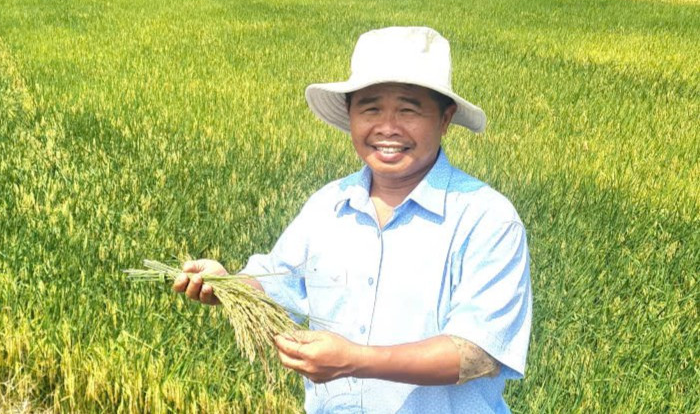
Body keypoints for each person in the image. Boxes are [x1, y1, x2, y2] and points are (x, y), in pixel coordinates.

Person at [173, 26, 532, 413]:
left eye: (409, 109)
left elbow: (477, 353)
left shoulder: (486, 218)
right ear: (350, 115)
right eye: (371, 108)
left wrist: (356, 359)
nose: (387, 127)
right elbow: (280, 280)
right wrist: (229, 284)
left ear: (444, 119)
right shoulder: (328, 206)